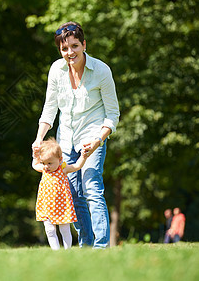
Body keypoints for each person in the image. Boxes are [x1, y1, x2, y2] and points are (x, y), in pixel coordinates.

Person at [32, 22, 120, 248]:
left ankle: (101, 248)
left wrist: (98, 140)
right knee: (74, 194)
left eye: (74, 46)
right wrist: (39, 138)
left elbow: (112, 114)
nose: (70, 52)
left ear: (84, 44)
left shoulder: (101, 71)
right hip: (65, 139)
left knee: (91, 188)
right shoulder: (56, 70)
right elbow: (49, 109)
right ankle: (86, 245)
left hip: (92, 136)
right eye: (64, 48)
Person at [32, 137, 88, 250]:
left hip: (62, 206)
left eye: (50, 163)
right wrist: (35, 156)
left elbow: (77, 166)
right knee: (50, 229)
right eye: (44, 162)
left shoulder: (63, 169)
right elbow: (34, 165)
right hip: (46, 205)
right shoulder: (43, 169)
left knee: (64, 229)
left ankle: (67, 250)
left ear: (60, 159)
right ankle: (55, 250)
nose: (46, 166)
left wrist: (83, 156)